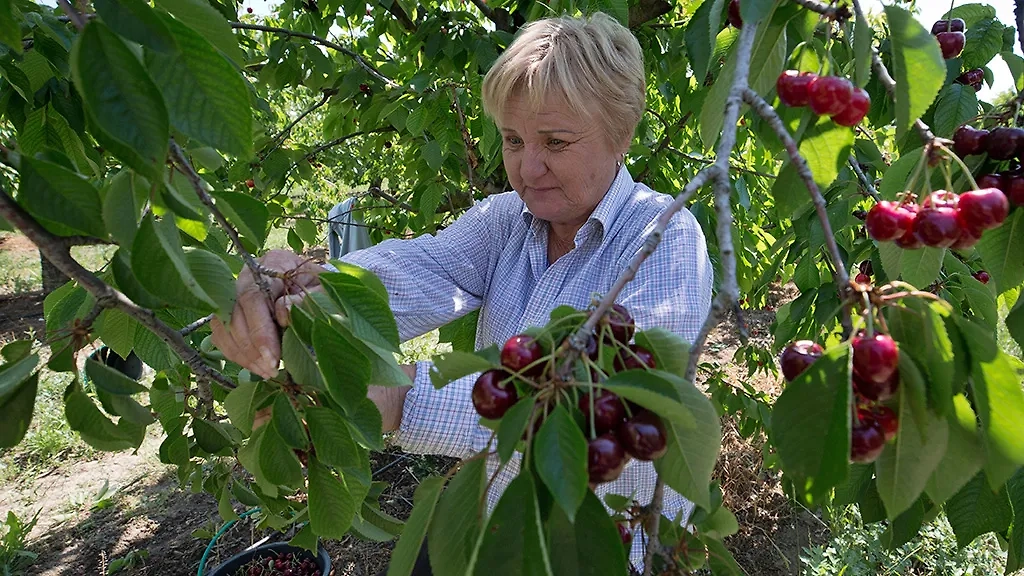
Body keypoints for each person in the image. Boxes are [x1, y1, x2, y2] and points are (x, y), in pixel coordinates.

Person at [211, 11, 713, 570]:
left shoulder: (663, 238)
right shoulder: (507, 222)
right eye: (513, 139)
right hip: (488, 515)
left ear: (620, 136)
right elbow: (421, 268)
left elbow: (610, 403)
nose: (528, 166)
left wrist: (401, 398)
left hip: (596, 545)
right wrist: (305, 292)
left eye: (557, 141)